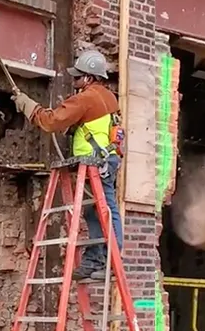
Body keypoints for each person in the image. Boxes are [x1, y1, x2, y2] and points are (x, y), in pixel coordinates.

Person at [11, 50, 124, 281]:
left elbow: (51, 121)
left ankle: (112, 264)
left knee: (105, 210)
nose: (74, 82)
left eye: (77, 77)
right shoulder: (108, 97)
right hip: (105, 160)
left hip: (96, 162)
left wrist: (27, 105)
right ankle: (96, 260)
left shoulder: (86, 98)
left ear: (89, 78)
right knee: (95, 211)